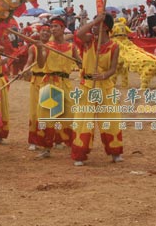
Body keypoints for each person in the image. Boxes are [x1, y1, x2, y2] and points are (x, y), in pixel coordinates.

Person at [71, 13, 123, 166]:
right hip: (87, 85)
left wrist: (103, 75)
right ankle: (80, 154)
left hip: (105, 86)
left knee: (111, 119)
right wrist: (95, 21)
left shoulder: (115, 46)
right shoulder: (89, 41)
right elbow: (79, 33)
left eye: (98, 24)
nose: (93, 27)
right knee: (83, 119)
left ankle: (115, 152)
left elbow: (113, 69)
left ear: (105, 27)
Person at [35, 17, 81, 158]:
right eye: (52, 26)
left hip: (65, 83)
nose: (53, 29)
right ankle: (46, 149)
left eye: (56, 26)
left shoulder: (71, 47)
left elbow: (80, 63)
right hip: (50, 82)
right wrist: (39, 49)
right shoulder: (47, 46)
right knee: (48, 117)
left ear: (62, 28)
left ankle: (76, 146)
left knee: (71, 116)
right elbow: (41, 64)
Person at [24, 24, 51, 151]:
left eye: (48, 31)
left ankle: (52, 139)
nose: (45, 33)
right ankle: (34, 141)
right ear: (39, 33)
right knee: (35, 112)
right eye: (43, 31)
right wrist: (25, 70)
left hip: (50, 80)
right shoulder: (33, 48)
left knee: (50, 111)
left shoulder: (54, 47)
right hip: (36, 81)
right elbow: (28, 63)